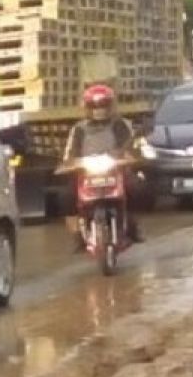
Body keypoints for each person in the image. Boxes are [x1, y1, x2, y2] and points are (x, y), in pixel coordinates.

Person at [62, 84, 144, 251]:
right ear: (88, 108)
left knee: (136, 188)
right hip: (87, 174)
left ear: (110, 106)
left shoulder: (121, 125)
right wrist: (70, 164)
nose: (99, 110)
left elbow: (130, 147)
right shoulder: (78, 129)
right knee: (65, 196)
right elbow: (70, 154)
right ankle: (78, 235)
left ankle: (132, 226)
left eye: (103, 106)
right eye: (94, 107)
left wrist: (129, 158)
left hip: (115, 171)